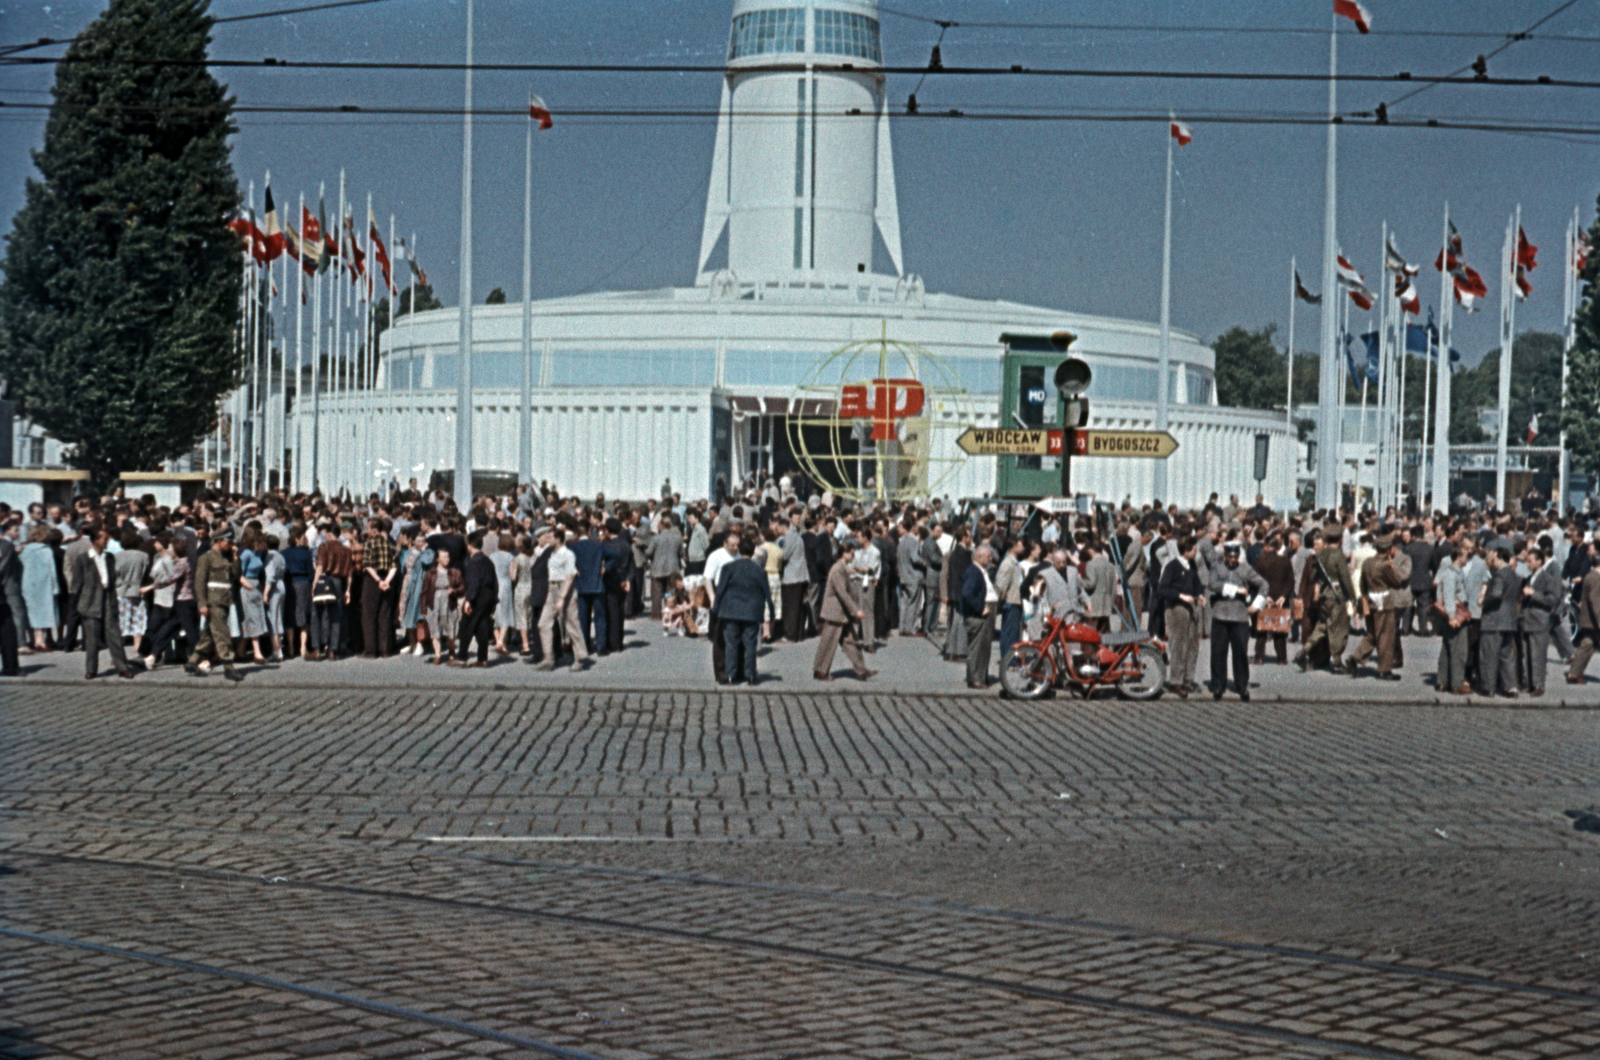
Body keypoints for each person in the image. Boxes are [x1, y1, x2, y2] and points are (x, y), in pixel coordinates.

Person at [70, 523, 134, 681]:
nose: (107, 541)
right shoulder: (83, 559)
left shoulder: (109, 557)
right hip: (90, 601)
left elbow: (113, 580)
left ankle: (122, 667)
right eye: (104, 539)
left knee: (114, 636)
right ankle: (91, 669)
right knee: (91, 638)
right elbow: (76, 584)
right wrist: (77, 605)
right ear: (96, 540)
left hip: (108, 599)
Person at [1206, 541, 1267, 700]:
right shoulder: (1217, 567)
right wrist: (1236, 590)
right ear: (1225, 555)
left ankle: (1242, 685)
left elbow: (1264, 585)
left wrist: (1256, 605)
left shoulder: (1246, 570)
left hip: (1240, 617)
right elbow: (1212, 584)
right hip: (1220, 615)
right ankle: (1218, 685)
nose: (1232, 560)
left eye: (1235, 557)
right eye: (1229, 557)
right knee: (1218, 652)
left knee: (1240, 653)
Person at [711, 532, 775, 685]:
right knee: (750, 645)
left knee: (731, 644)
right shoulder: (759, 571)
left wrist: (715, 609)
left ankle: (731, 675)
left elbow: (720, 590)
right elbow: (767, 594)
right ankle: (751, 675)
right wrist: (771, 615)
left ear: (739, 550)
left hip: (730, 611)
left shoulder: (729, 568)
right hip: (752, 613)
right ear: (753, 552)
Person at [1347, 534, 1412, 680]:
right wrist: (1392, 567)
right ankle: (1384, 669)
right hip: (1384, 601)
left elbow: (1362, 583)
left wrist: (1364, 597)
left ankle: (1356, 657)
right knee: (1385, 637)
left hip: (1370, 599)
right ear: (1388, 549)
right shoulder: (1385, 565)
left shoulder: (1368, 563)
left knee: (1372, 633)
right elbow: (1397, 582)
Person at [813, 538, 873, 681]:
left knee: (850, 641)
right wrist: (855, 610)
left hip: (841, 613)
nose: (852, 555)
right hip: (835, 612)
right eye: (850, 553)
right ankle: (820, 671)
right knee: (828, 642)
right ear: (843, 553)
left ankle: (861, 669)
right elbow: (842, 593)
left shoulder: (842, 568)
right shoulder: (837, 569)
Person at [1301, 522, 1358, 673]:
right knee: (1338, 629)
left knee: (1321, 626)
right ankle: (1337, 662)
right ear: (1339, 539)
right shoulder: (1338, 556)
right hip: (1336, 596)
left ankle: (1305, 650)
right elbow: (1345, 578)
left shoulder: (1320, 555)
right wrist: (1352, 597)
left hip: (1325, 595)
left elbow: (1315, 576)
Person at [536, 527, 588, 672]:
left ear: (558, 539)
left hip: (565, 589)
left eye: (550, 537)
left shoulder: (568, 554)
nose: (547, 540)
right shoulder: (551, 554)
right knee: (543, 623)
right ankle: (548, 657)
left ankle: (579, 657)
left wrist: (562, 598)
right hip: (552, 588)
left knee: (571, 624)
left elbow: (570, 576)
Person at [1478, 546, 1521, 697]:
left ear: (1498, 556)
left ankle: (1488, 687)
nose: (1491, 560)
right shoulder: (1514, 575)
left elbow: (1496, 595)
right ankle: (1510, 687)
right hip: (1509, 620)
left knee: (1489, 654)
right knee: (1507, 655)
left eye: (1492, 557)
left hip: (1494, 619)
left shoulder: (1499, 575)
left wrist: (1484, 601)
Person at [452, 530, 498, 668]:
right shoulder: (488, 560)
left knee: (467, 624)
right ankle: (482, 658)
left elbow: (474, 582)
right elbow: (495, 581)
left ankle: (462, 657)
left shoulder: (473, 562)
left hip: (478, 595)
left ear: (469, 546)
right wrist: (495, 599)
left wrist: (468, 600)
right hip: (489, 595)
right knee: (482, 625)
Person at [1520, 546, 1560, 697]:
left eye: (1530, 561)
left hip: (1539, 621)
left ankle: (1539, 685)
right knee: (1527, 654)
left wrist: (1534, 594)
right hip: (1527, 620)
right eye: (1526, 561)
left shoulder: (1548, 578)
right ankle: (1529, 683)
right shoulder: (1528, 578)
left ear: (1539, 561)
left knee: (1538, 655)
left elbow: (1552, 600)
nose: (1527, 564)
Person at [1251, 534, 1294, 665]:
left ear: (1267, 547)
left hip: (1265, 598)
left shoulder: (1260, 561)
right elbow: (1290, 581)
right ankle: (1282, 658)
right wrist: (1284, 596)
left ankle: (1259, 657)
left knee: (1261, 628)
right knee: (1280, 628)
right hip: (1281, 598)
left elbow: (1256, 581)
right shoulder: (1285, 560)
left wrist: (1266, 595)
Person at [959, 544, 997, 689]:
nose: (991, 559)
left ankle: (981, 676)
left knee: (984, 647)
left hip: (985, 613)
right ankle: (975, 679)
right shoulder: (974, 572)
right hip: (978, 616)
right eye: (988, 556)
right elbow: (967, 593)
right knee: (977, 647)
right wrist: (980, 608)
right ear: (979, 557)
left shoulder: (981, 571)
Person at [360, 518, 398, 659]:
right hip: (388, 579)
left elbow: (367, 565)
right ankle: (385, 649)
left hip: (372, 580)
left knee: (369, 615)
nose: (367, 531)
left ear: (374, 530)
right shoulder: (389, 544)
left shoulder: (369, 543)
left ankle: (371, 650)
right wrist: (386, 580)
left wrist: (378, 581)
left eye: (369, 528)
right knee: (384, 615)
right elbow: (394, 565)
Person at [1565, 542, 1600, 684]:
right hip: (1594, 619)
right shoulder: (1597, 578)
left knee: (1588, 644)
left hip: (1588, 619)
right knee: (1588, 644)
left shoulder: (1590, 575)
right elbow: (1596, 601)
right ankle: (1574, 673)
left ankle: (1574, 673)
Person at [421, 548, 462, 663]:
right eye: (444, 557)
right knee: (435, 630)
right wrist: (423, 608)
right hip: (434, 603)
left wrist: (454, 591)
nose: (446, 559)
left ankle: (452, 651)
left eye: (448, 556)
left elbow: (462, 588)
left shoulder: (455, 573)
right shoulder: (430, 574)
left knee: (451, 629)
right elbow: (424, 592)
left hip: (450, 603)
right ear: (438, 559)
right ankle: (437, 655)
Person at [112, 526, 149, 657]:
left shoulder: (116, 556)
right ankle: (137, 650)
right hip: (138, 591)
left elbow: (114, 575)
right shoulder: (144, 556)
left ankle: (118, 654)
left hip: (120, 592)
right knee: (138, 624)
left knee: (120, 624)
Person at [571, 525, 606, 657]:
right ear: (589, 532)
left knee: (583, 618)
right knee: (600, 617)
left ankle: (585, 645)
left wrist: (574, 570)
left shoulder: (573, 547)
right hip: (597, 584)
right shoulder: (598, 545)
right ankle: (601, 646)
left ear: (576, 534)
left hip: (581, 585)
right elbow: (615, 555)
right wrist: (606, 567)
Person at [21, 525, 58, 652]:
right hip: (43, 585)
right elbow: (52, 571)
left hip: (27, 584)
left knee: (30, 612)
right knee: (42, 612)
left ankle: (32, 640)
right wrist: (55, 587)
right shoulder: (46, 550)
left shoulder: (25, 550)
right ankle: (40, 641)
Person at [282, 526, 315, 659]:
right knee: (303, 615)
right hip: (303, 583)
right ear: (297, 539)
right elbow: (310, 572)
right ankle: (303, 647)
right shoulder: (306, 553)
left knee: (290, 615)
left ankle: (290, 646)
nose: (305, 540)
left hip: (289, 583)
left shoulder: (283, 553)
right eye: (302, 537)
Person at [994, 535, 1026, 663]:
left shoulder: (1015, 563)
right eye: (1020, 545)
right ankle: (1008, 659)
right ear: (1014, 547)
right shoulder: (1008, 563)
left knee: (1014, 633)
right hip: (1010, 601)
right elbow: (1001, 584)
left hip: (1016, 601)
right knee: (1009, 633)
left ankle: (1012, 658)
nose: (1023, 547)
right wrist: (1000, 599)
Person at [646, 514, 682, 620]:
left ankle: (656, 614)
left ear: (662, 525)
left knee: (657, 593)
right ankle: (670, 612)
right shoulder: (677, 538)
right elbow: (681, 553)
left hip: (658, 568)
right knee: (669, 592)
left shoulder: (656, 538)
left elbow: (648, 552)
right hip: (672, 568)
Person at [897, 522, 923, 636]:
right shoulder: (913, 541)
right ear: (912, 527)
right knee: (913, 603)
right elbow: (914, 558)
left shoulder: (901, 542)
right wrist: (925, 562)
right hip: (913, 575)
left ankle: (902, 627)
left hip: (903, 575)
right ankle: (910, 628)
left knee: (904, 602)